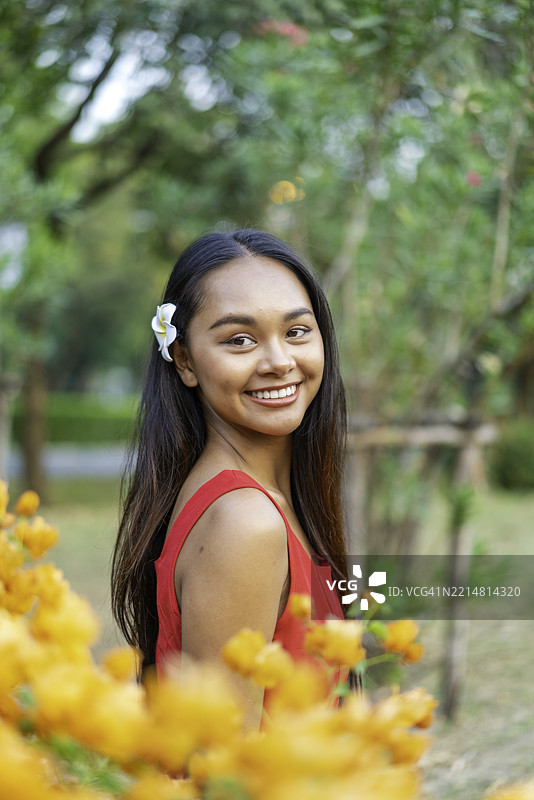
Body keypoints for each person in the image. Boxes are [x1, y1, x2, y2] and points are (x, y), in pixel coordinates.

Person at [111, 228, 350, 728]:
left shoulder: (257, 500)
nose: (279, 361)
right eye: (239, 339)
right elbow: (223, 769)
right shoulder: (245, 522)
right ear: (184, 360)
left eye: (297, 331)